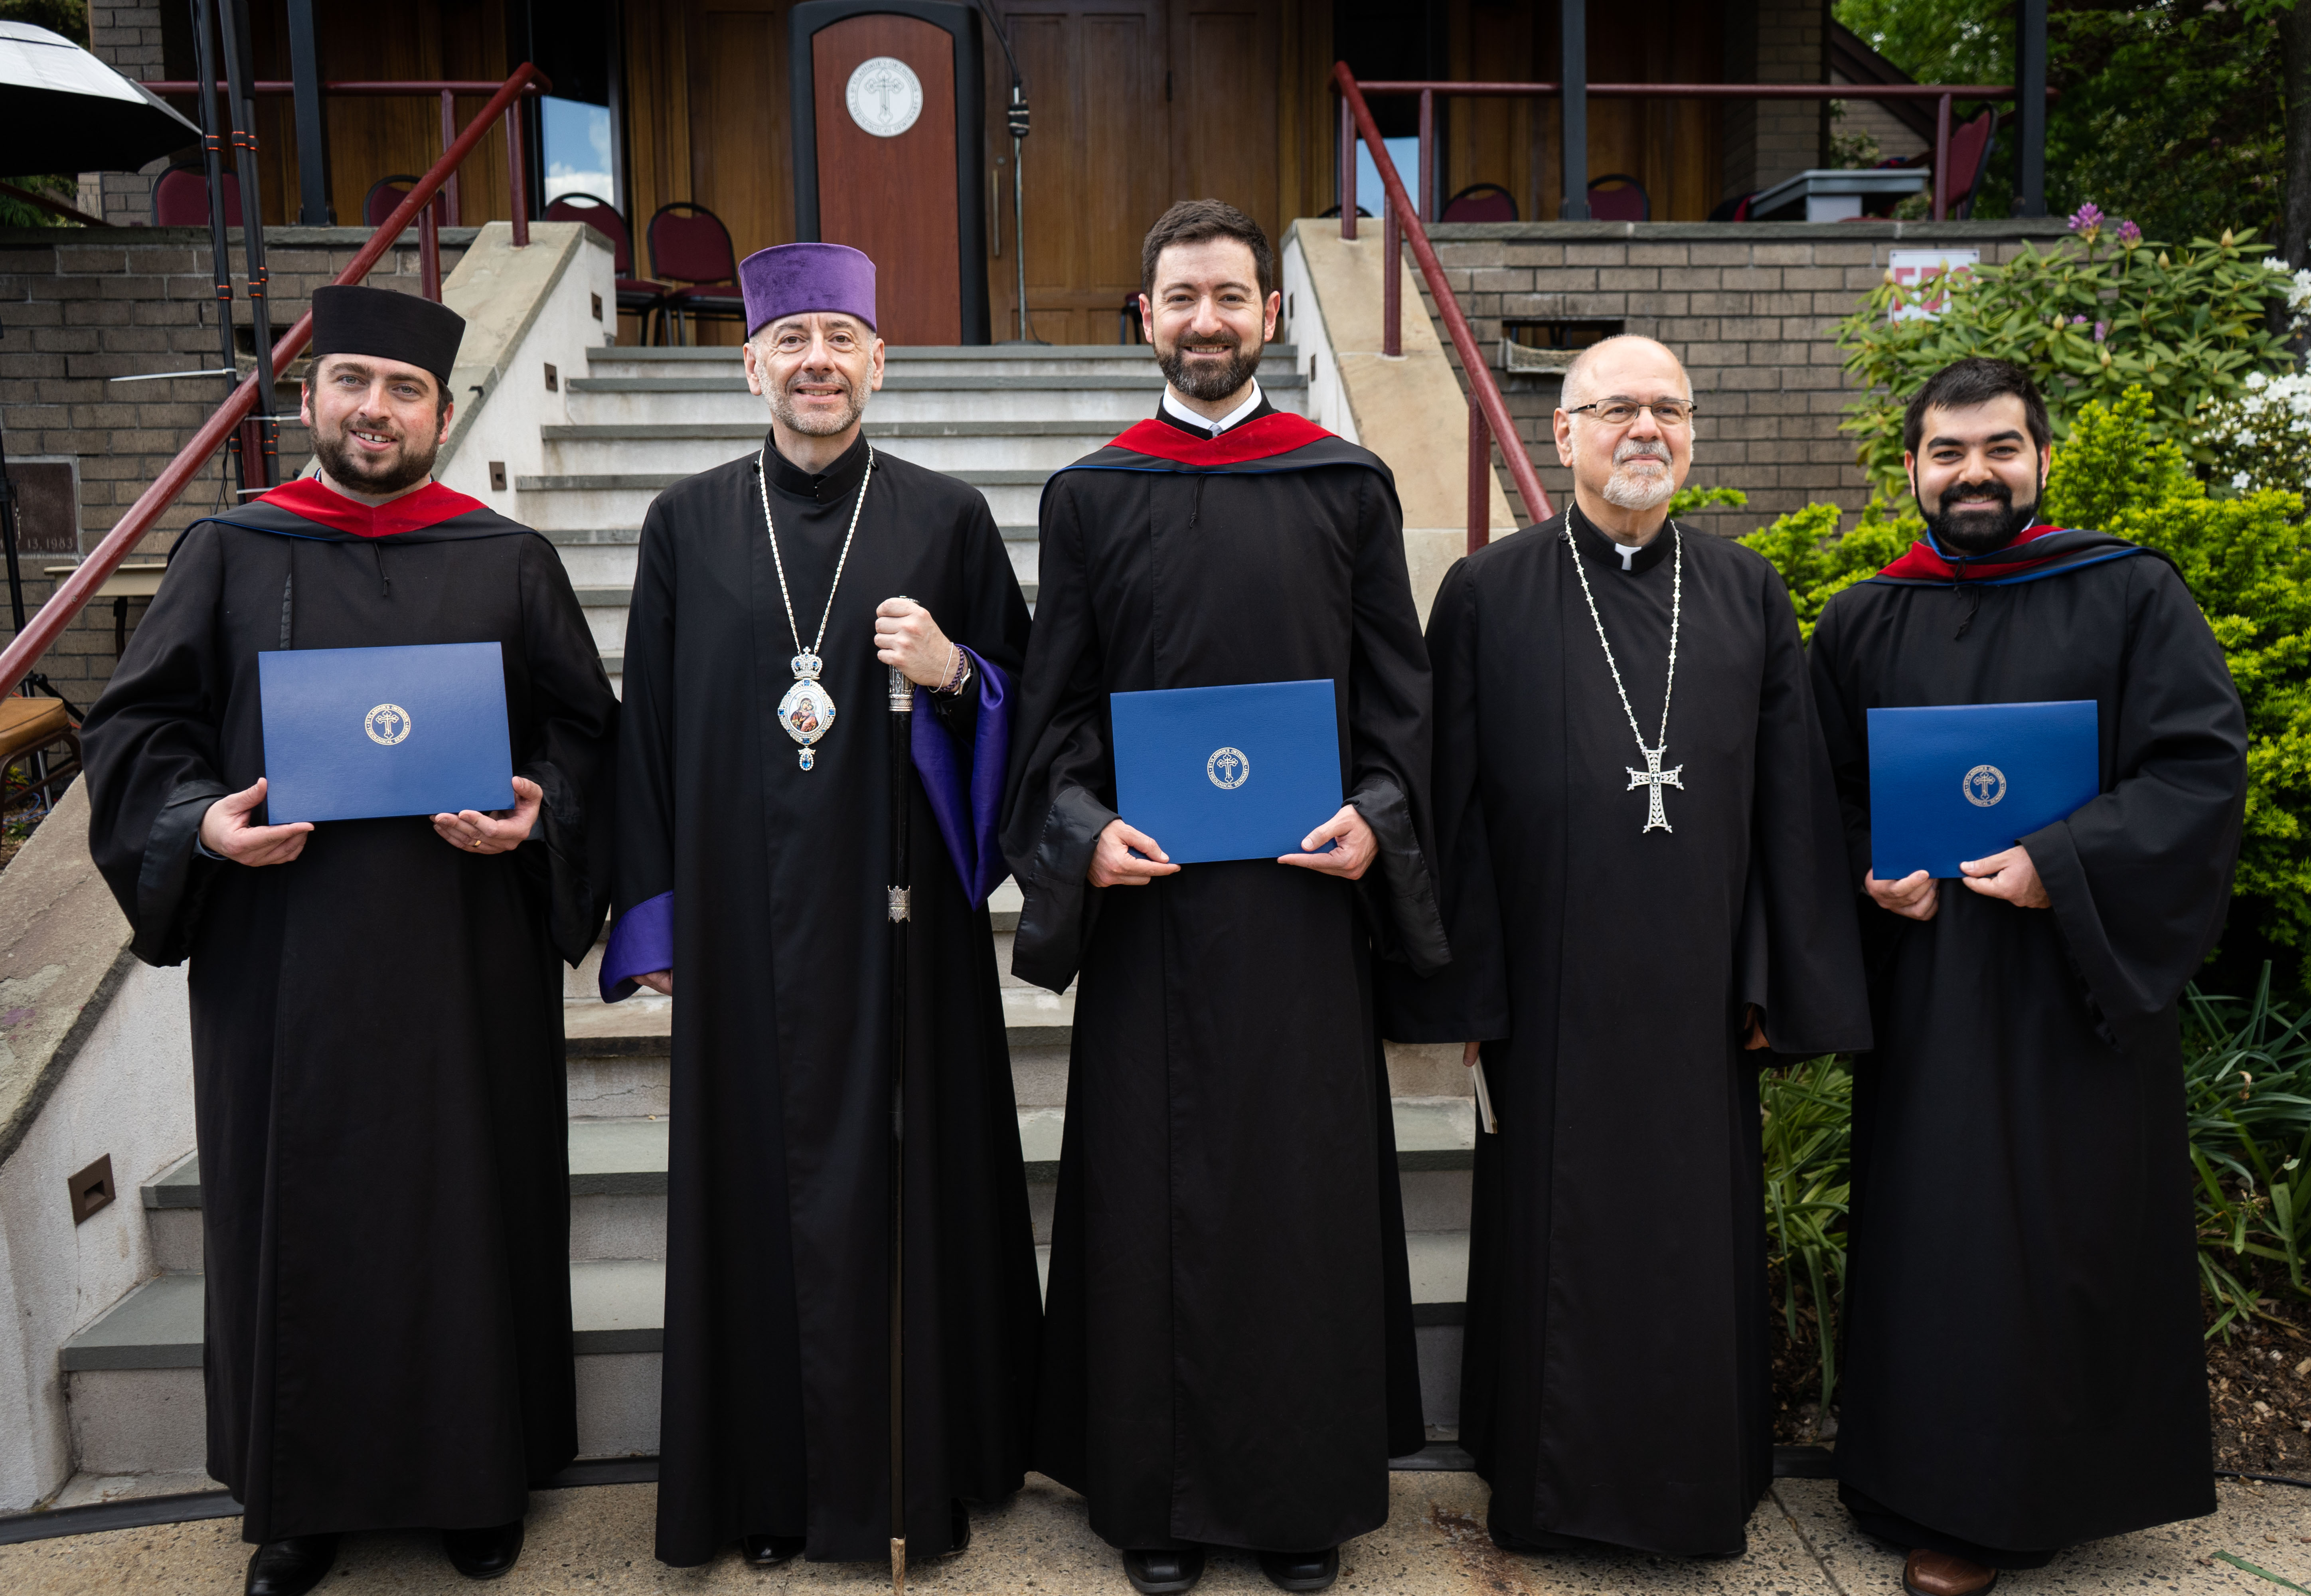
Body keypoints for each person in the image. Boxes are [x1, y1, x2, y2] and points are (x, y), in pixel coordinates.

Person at [79, 285, 618, 1595]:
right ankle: (299, 1505)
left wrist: (539, 815)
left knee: (467, 1205)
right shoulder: (229, 552)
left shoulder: (505, 559)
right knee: (298, 1216)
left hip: (463, 958)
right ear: (309, 396)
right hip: (286, 962)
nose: (375, 410)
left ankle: (477, 1482)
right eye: (352, 382)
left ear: (443, 410)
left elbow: (586, 737)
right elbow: (137, 735)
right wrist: (204, 827)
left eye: (405, 390)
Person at [1003, 199, 1448, 1596]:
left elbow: (1403, 703)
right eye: (1180, 297)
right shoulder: (1092, 495)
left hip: (1304, 914)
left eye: (1231, 296)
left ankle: (1296, 1495)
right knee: (1149, 1198)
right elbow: (1055, 713)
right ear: (1145, 319)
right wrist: (1084, 833)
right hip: (1154, 912)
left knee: (1298, 1201)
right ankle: (1157, 1501)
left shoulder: (1344, 484)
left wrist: (1380, 821)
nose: (1206, 319)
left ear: (1269, 316)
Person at [1382, 335, 1871, 1556]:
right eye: (1616, 410)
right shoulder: (1488, 591)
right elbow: (1454, 805)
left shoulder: (1750, 591)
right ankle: (1547, 1490)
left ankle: (1694, 1486)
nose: (1644, 430)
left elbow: (1790, 810)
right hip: (1549, 996)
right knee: (1556, 1240)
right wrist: (1471, 993)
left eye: (1668, 410)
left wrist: (1770, 978)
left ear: (1693, 434)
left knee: (1688, 1242)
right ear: (1564, 433)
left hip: (1702, 994)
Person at [602, 242, 1040, 1569]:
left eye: (842, 340)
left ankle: (929, 1466)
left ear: (878, 364)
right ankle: (770, 1487)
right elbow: (647, 737)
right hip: (742, 932)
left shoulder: (947, 514)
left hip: (901, 929)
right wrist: (658, 921)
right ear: (751, 366)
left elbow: (1032, 711)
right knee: (755, 1196)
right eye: (792, 344)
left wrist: (957, 672)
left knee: (915, 1185)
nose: (817, 364)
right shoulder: (684, 521)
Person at [1806, 358, 2246, 1596]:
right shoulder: (1864, 618)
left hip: (2072, 995)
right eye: (1947, 454)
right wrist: (1869, 871)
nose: (1974, 474)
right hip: (1933, 988)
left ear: (2043, 460)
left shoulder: (2129, 595)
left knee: (2054, 1238)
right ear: (1911, 473)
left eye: (1999, 449)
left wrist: (2062, 862)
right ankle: (1908, 1480)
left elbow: (2199, 771)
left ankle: (2010, 1507)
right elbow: (1821, 793)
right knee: (1936, 1236)